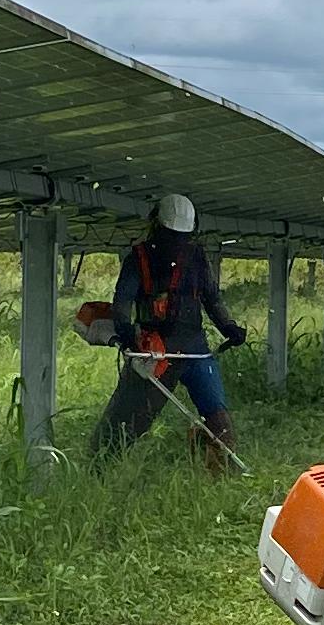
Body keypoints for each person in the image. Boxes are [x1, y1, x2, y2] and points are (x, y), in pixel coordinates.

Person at [91, 192, 248, 472]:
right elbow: (122, 303)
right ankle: (100, 464)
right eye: (170, 237)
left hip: (196, 350)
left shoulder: (196, 257)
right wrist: (127, 336)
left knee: (217, 416)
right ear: (157, 228)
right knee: (135, 417)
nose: (176, 244)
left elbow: (211, 298)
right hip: (156, 349)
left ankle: (225, 475)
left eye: (181, 238)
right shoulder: (138, 258)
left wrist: (229, 327)